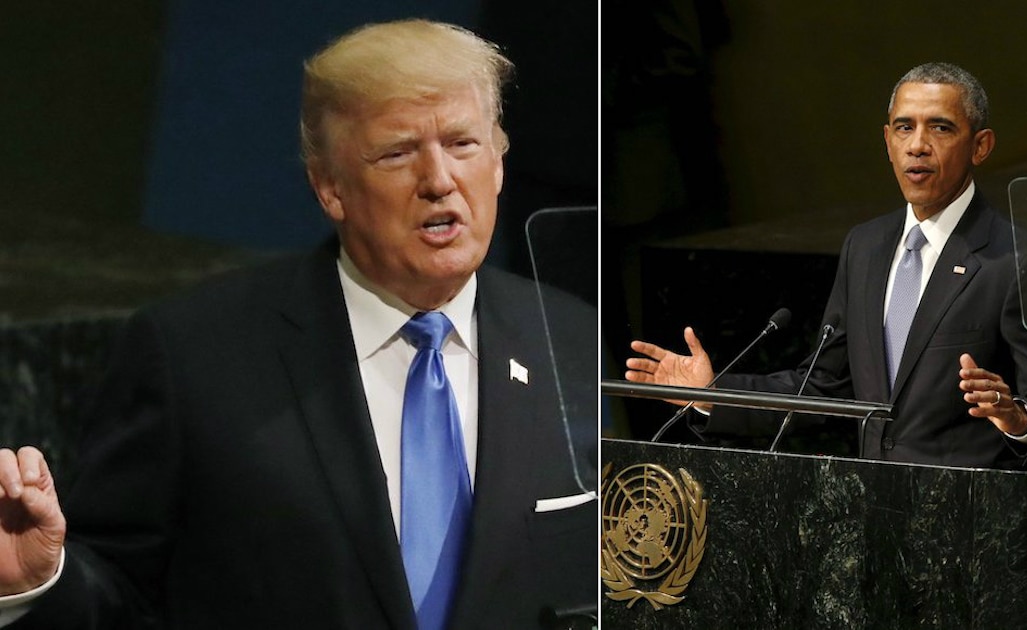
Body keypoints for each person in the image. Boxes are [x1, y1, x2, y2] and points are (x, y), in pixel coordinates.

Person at [0, 19, 596, 629]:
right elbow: (121, 592)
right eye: (397, 153)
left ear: (498, 164)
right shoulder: (190, 355)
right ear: (330, 187)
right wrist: (37, 582)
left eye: (464, 145)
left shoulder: (573, 342)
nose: (440, 180)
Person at [626, 62, 1027, 470]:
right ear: (887, 141)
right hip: (874, 523)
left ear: (981, 146)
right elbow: (826, 388)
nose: (918, 145)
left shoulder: (1022, 262)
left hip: (973, 533)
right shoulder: (866, 247)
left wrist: (1019, 417)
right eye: (904, 127)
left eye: (941, 128)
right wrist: (716, 394)